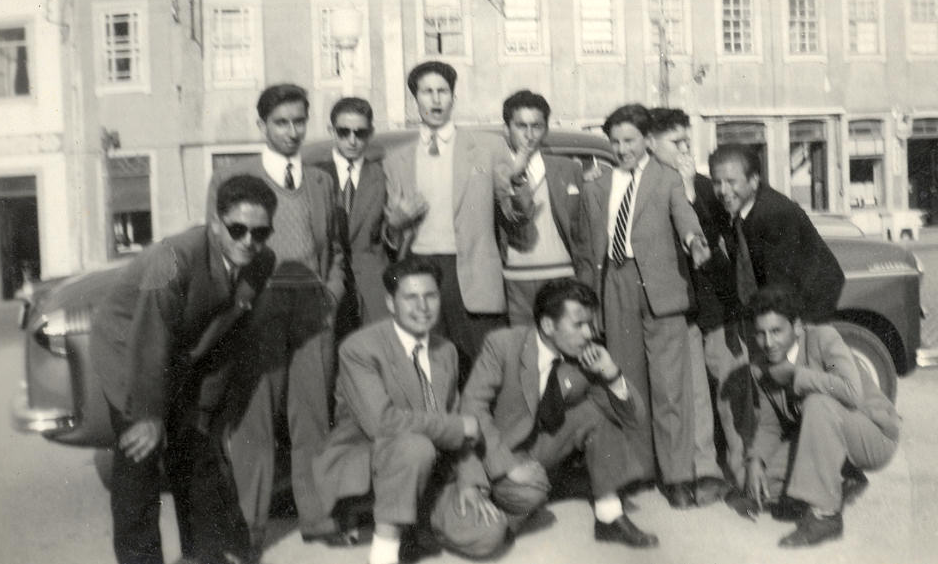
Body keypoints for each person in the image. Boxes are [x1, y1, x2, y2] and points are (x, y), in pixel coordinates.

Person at [91, 175, 278, 564]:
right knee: (140, 460)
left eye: (260, 232)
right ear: (215, 223)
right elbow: (150, 335)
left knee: (195, 447)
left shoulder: (261, 263)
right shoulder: (173, 257)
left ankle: (208, 553)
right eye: (238, 229)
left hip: (179, 351)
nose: (249, 241)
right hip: (128, 347)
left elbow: (226, 337)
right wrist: (148, 414)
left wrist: (203, 407)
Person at [207, 83, 346, 548]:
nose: (291, 131)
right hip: (258, 307)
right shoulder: (233, 178)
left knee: (313, 416)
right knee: (254, 421)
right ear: (261, 125)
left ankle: (318, 518)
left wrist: (332, 292)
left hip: (311, 310)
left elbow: (335, 250)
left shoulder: (321, 181)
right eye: (281, 123)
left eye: (299, 121)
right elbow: (217, 248)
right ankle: (248, 528)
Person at [439, 278, 659, 555]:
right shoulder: (504, 344)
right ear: (547, 325)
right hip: (489, 451)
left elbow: (632, 418)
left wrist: (611, 373)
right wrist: (507, 467)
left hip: (533, 451)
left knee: (595, 413)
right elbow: (472, 408)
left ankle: (608, 515)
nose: (589, 333)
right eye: (578, 325)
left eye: (590, 324)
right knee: (489, 533)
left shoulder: (584, 359)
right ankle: (489, 506)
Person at [312, 257, 505, 564]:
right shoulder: (359, 348)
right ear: (391, 303)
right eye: (410, 298)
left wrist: (470, 480)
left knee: (489, 533)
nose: (422, 307)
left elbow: (454, 416)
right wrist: (457, 428)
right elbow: (382, 423)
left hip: (429, 469)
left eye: (430, 296)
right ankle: (385, 548)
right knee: (415, 446)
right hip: (373, 463)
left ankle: (418, 523)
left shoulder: (446, 351)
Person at [574, 103, 712, 510]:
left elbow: (684, 216)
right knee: (627, 386)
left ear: (647, 140)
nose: (622, 149)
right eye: (615, 142)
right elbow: (587, 251)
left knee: (670, 390)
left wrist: (695, 241)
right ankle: (637, 470)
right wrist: (588, 305)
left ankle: (678, 476)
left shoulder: (666, 178)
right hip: (614, 287)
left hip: (662, 290)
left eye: (630, 141)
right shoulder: (597, 186)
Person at [735, 285, 900, 547]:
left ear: (797, 326)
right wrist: (756, 460)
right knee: (754, 482)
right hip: (826, 437)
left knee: (818, 402)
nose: (769, 343)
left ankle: (826, 515)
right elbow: (770, 425)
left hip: (873, 434)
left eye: (776, 331)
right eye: (761, 334)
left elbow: (850, 390)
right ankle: (844, 477)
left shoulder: (824, 340)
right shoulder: (760, 367)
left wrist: (795, 375)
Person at [647, 107, 751, 491]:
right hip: (679, 308)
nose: (685, 150)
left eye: (687, 142)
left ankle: (746, 469)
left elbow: (721, 246)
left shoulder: (707, 187)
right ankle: (705, 471)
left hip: (718, 305)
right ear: (651, 144)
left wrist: (692, 193)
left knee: (732, 389)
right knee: (693, 397)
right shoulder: (647, 188)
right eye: (676, 143)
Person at [383, 61, 507, 378]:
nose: (436, 99)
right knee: (430, 369)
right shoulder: (396, 160)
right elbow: (392, 233)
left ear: (454, 97)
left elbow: (512, 211)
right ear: (415, 99)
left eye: (443, 91)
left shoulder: (488, 148)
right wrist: (395, 223)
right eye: (427, 92)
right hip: (421, 271)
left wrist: (518, 185)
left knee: (482, 370)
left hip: (472, 275)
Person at [708, 143, 845, 328]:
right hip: (780, 297)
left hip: (810, 303)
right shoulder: (737, 209)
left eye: (731, 182)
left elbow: (779, 285)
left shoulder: (775, 214)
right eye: (717, 182)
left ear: (754, 180)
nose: (723, 190)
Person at [494, 90, 584, 325]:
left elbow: (582, 228)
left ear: (545, 130)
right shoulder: (495, 171)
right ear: (506, 129)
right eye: (521, 126)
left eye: (536, 126)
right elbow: (511, 215)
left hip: (562, 276)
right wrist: (515, 175)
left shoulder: (568, 169)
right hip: (515, 279)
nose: (529, 134)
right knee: (523, 342)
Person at [313, 96, 391, 334]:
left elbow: (390, 236)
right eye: (343, 132)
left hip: (372, 288)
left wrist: (395, 227)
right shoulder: (313, 176)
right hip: (327, 286)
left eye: (360, 132)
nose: (352, 140)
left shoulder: (383, 175)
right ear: (331, 131)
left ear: (371, 132)